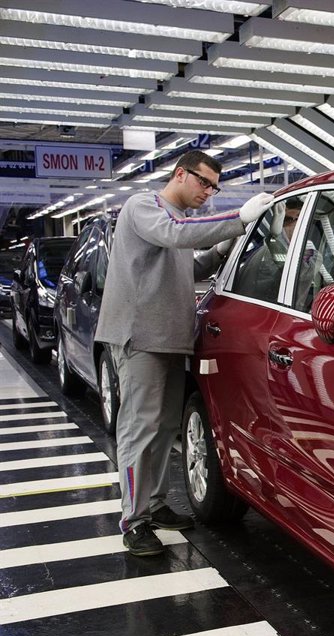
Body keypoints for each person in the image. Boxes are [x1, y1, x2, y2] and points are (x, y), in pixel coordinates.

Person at [95, 150, 272, 556]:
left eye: (214, 187)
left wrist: (223, 248)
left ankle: (155, 504)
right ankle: (134, 521)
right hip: (140, 339)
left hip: (171, 341)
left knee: (162, 429)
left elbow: (189, 268)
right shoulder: (145, 208)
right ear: (180, 174)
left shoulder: (179, 222)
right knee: (139, 431)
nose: (208, 192)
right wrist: (238, 218)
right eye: (204, 182)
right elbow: (175, 235)